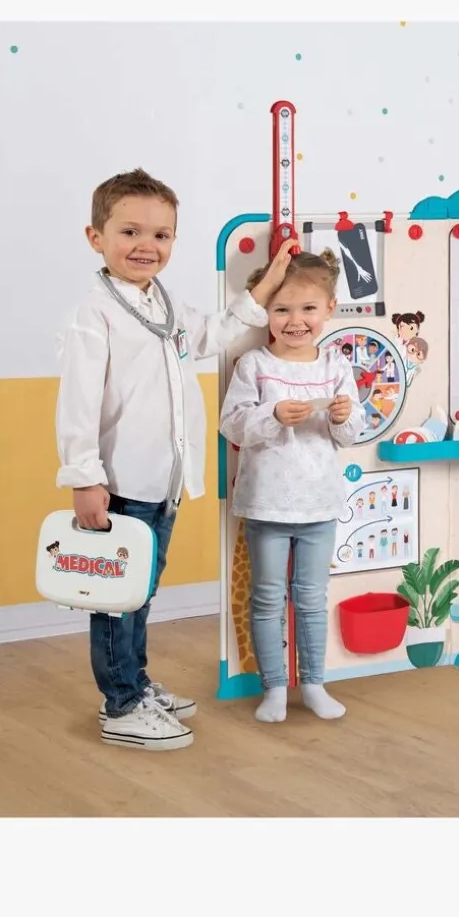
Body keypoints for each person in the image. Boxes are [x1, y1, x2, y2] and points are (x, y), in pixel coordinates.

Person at [56, 167, 290, 751]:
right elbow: (78, 405)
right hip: (122, 481)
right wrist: (84, 478)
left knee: (142, 591)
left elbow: (212, 334)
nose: (146, 245)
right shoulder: (95, 313)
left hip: (165, 479)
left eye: (161, 235)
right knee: (118, 597)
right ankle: (121, 704)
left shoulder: (162, 302)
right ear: (95, 237)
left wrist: (266, 288)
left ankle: (134, 682)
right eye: (130, 231)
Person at [218, 248, 364, 723]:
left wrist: (342, 416)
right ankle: (275, 689)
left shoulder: (336, 367)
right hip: (267, 503)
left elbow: (350, 434)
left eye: (308, 309)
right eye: (281, 309)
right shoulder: (253, 365)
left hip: (319, 503)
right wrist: (273, 414)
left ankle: (315, 684)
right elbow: (232, 424)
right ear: (266, 311)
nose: (295, 321)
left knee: (311, 598)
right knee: (267, 597)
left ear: (329, 309)